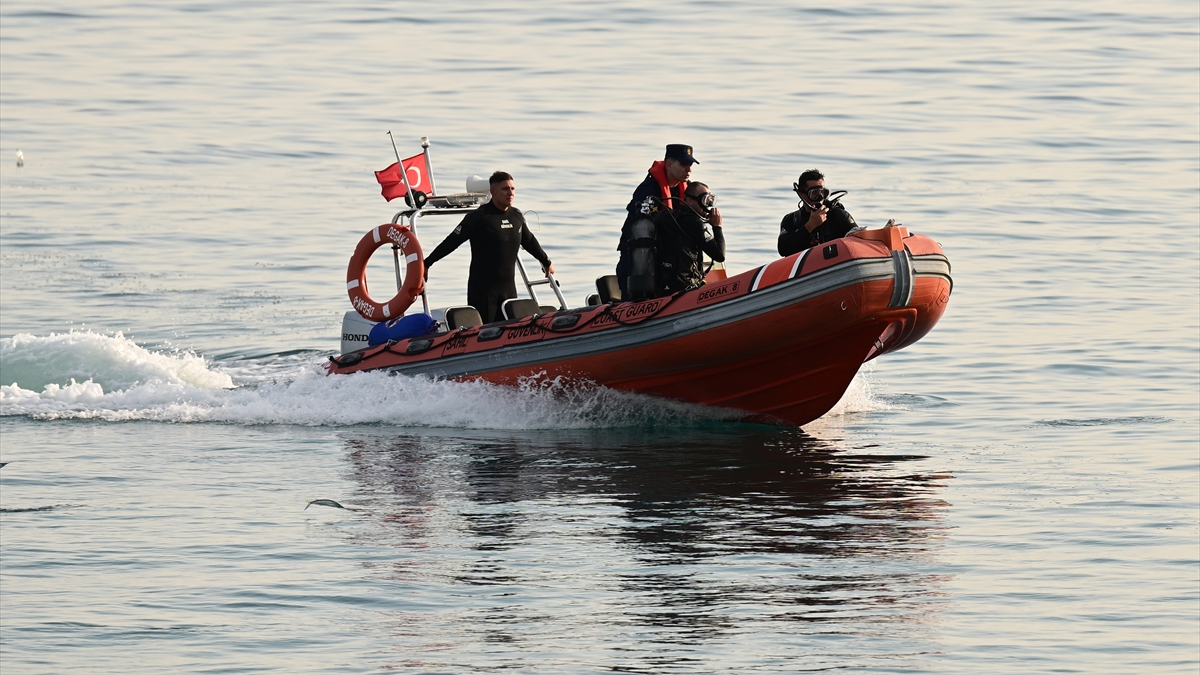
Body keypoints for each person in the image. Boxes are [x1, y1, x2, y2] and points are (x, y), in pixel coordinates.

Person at [424, 171, 555, 323]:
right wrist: (427, 263)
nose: (510, 193)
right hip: (483, 293)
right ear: (493, 191)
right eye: (505, 189)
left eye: (513, 188)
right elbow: (452, 242)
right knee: (487, 331)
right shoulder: (479, 217)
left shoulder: (516, 216)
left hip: (509, 291)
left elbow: (530, 241)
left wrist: (546, 261)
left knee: (511, 330)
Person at [616, 144, 698, 297]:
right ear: (669, 165)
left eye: (690, 165)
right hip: (639, 251)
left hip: (669, 254)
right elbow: (641, 222)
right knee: (634, 292)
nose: (688, 170)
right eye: (683, 164)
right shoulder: (648, 189)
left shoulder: (688, 189)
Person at [653, 182, 726, 295]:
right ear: (690, 201)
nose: (708, 205)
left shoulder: (672, 218)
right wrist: (717, 227)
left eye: (710, 200)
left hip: (664, 287)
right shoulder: (694, 224)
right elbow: (719, 255)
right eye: (704, 200)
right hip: (684, 287)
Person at [777, 169, 857, 257]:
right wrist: (810, 226)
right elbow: (783, 249)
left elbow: (858, 239)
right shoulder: (792, 219)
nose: (820, 197)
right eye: (814, 193)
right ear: (801, 194)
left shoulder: (838, 214)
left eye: (822, 192)